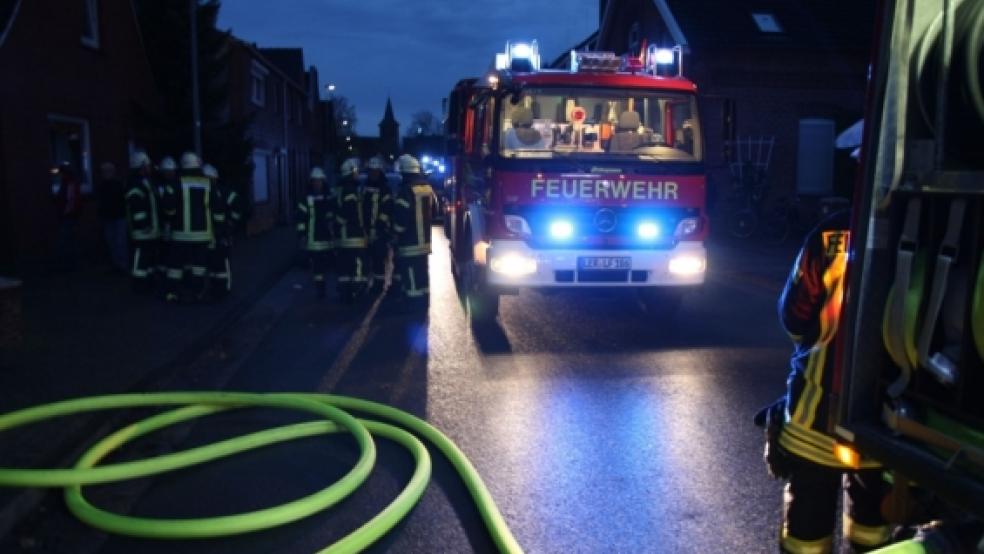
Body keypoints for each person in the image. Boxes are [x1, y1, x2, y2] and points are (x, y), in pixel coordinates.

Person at [757, 208, 891, 553]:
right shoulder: (931, 229)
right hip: (890, 430)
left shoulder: (832, 235)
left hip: (813, 423)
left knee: (805, 538)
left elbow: (794, 319)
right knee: (873, 535)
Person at [161, 152, 222, 303]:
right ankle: (198, 293)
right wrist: (220, 229)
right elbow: (218, 210)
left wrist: (173, 218)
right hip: (202, 236)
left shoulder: (175, 183)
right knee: (199, 266)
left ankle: (172, 293)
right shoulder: (208, 183)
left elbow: (168, 209)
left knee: (175, 266)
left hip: (179, 235)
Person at [391, 154, 434, 307]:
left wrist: (395, 233)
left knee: (411, 273)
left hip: (409, 242)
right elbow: (435, 210)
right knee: (422, 272)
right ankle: (424, 300)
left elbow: (401, 217)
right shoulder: (427, 187)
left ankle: (413, 303)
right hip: (425, 242)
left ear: (404, 172)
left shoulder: (406, 190)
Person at [124, 151, 161, 294]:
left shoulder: (146, 183)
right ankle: (139, 285)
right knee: (140, 261)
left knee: (149, 261)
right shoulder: (135, 185)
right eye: (147, 166)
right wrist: (143, 224)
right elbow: (137, 208)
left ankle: (149, 283)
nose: (150, 168)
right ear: (141, 166)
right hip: (141, 232)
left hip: (150, 232)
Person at [333, 157, 368, 303]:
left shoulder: (340, 189)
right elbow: (349, 211)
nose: (357, 174)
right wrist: (340, 223)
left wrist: (336, 227)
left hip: (344, 235)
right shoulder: (351, 190)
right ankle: (357, 289)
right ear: (352, 173)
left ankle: (345, 292)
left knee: (345, 264)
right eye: (355, 172)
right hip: (353, 234)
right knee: (358, 263)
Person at [297, 167, 334, 298]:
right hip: (313, 239)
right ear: (311, 182)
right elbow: (301, 218)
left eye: (320, 181)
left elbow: (332, 215)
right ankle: (321, 290)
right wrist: (302, 236)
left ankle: (327, 287)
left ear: (323, 181)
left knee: (327, 265)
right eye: (315, 181)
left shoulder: (328, 197)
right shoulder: (306, 198)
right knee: (318, 267)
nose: (317, 183)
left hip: (327, 238)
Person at [363, 156, 392, 293]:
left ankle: (379, 285)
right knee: (366, 260)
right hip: (365, 231)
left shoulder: (385, 190)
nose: (373, 174)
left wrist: (379, 227)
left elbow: (387, 209)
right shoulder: (364, 189)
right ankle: (367, 284)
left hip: (380, 232)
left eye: (376, 172)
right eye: (371, 172)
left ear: (380, 172)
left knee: (379, 260)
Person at [203, 164, 232, 299]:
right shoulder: (212, 191)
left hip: (217, 234)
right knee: (216, 264)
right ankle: (218, 288)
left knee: (221, 263)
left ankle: (224, 288)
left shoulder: (217, 192)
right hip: (214, 234)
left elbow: (220, 215)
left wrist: (226, 229)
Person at [96, 162, 128, 273]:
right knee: (111, 242)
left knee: (120, 242)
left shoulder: (118, 184)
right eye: (104, 171)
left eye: (108, 171)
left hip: (119, 217)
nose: (106, 173)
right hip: (108, 218)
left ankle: (123, 265)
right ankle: (116, 265)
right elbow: (100, 202)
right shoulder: (102, 186)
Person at [52, 162, 82, 271]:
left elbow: (70, 200)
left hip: (69, 217)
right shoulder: (69, 182)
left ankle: (66, 265)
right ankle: (72, 264)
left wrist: (65, 214)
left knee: (64, 240)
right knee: (71, 240)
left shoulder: (69, 183)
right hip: (71, 216)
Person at [155, 156, 179, 280]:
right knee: (165, 249)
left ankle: (166, 272)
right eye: (167, 171)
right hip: (164, 222)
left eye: (172, 171)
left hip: (173, 223)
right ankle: (163, 272)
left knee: (171, 249)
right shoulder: (159, 186)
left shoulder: (177, 185)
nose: (170, 174)